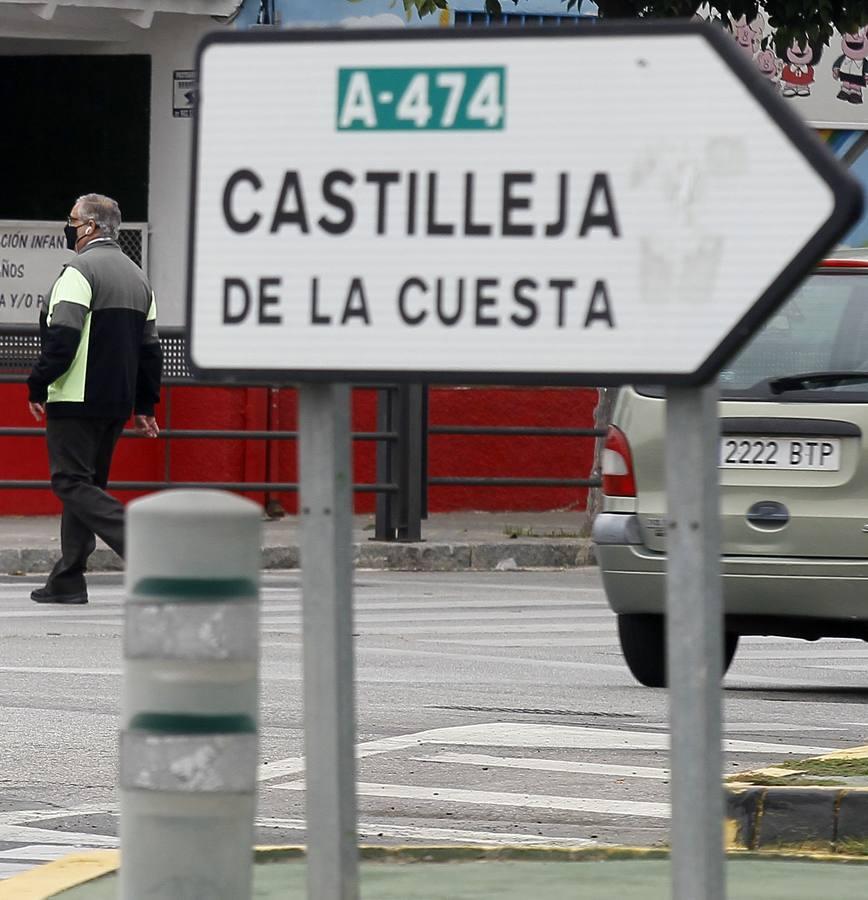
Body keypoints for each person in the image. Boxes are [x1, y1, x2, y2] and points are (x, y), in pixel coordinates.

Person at [26, 193, 162, 604]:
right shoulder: (139, 278)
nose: (68, 227)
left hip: (75, 397)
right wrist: (145, 406)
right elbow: (150, 350)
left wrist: (37, 384)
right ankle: (67, 579)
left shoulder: (79, 271)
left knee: (69, 481)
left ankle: (139, 542)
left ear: (90, 226)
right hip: (116, 402)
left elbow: (63, 336)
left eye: (72, 220)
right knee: (87, 486)